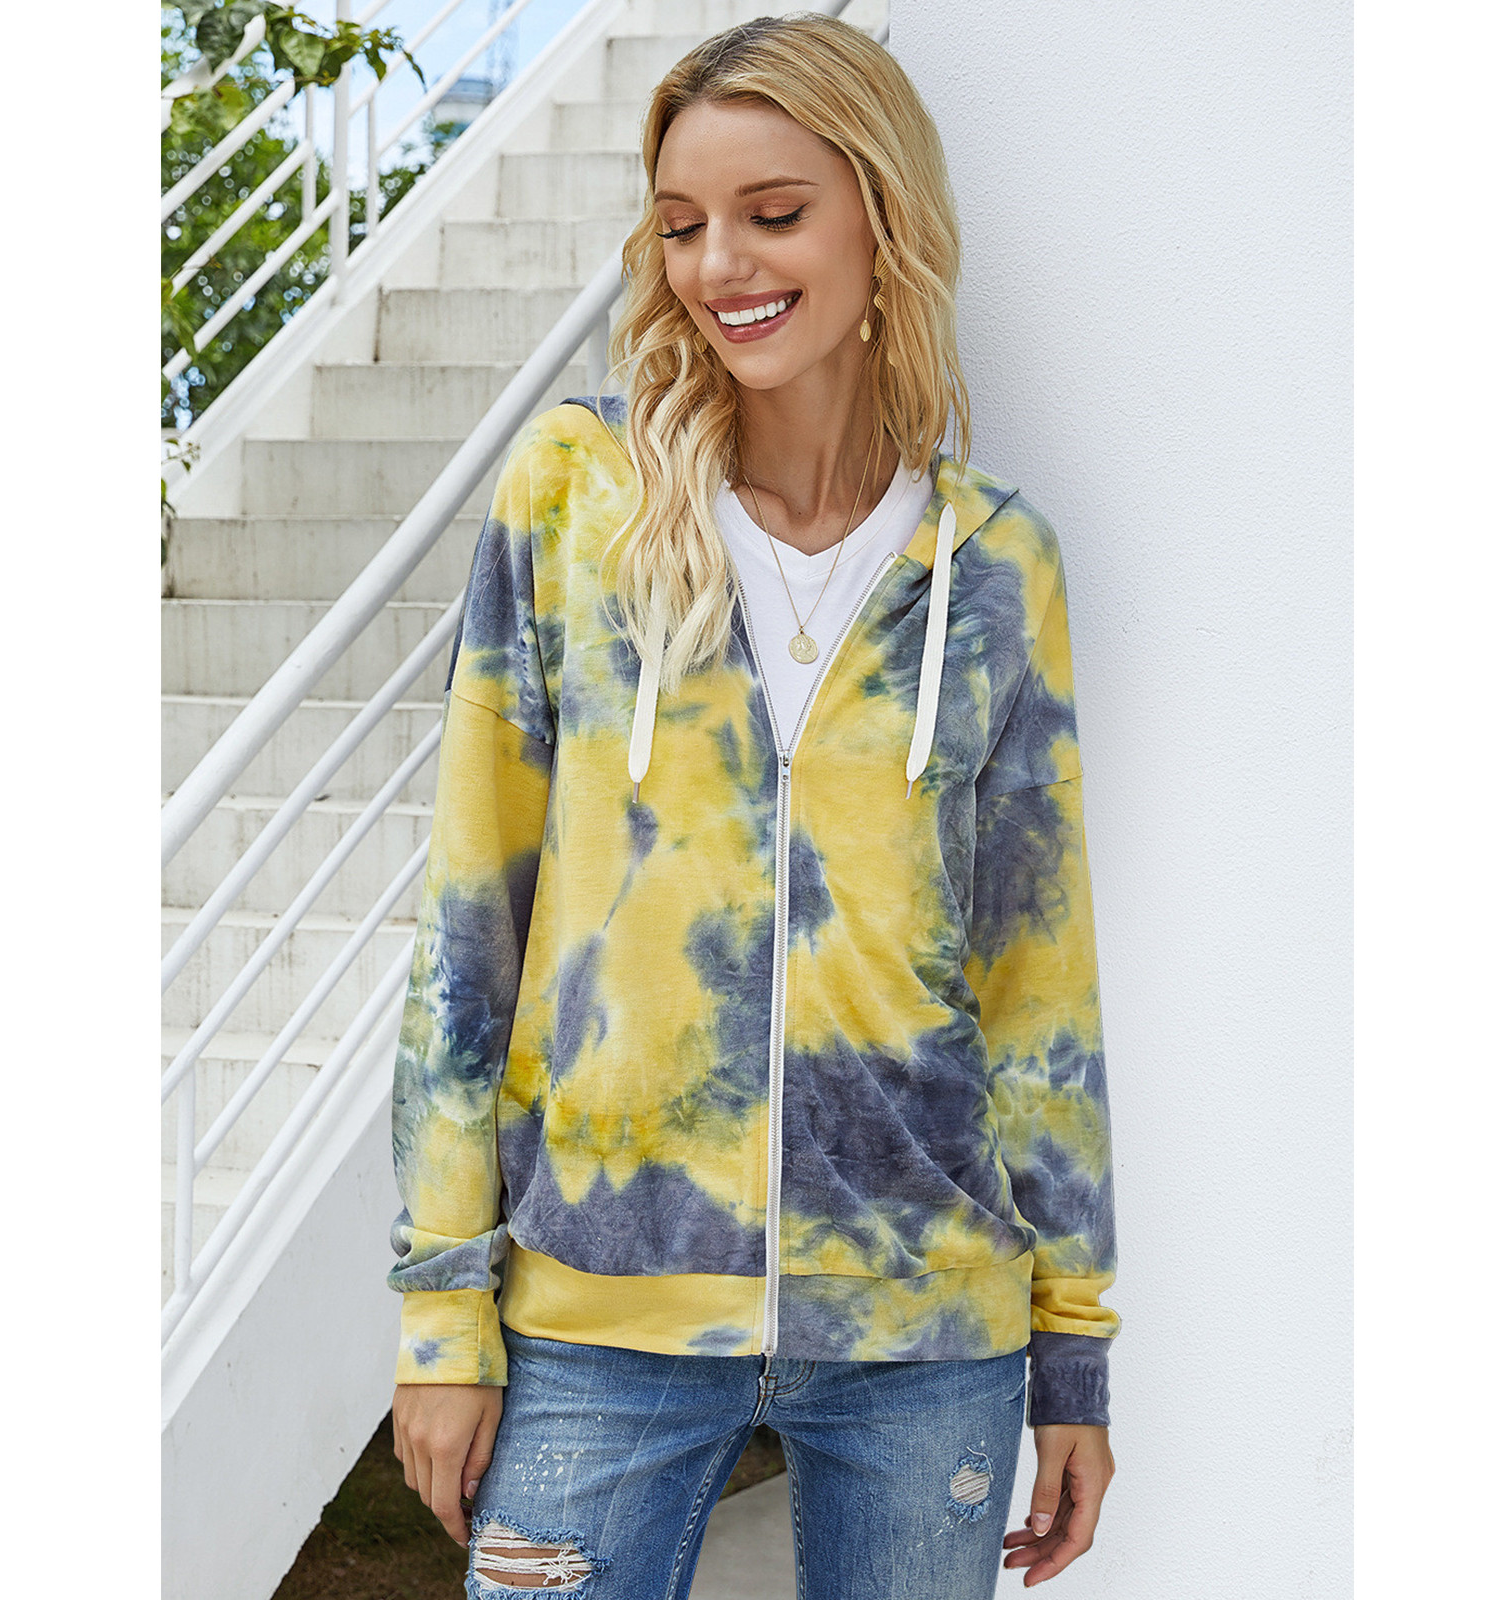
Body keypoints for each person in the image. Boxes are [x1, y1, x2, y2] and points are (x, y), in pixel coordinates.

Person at [387, 14, 1120, 1596]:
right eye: (680, 226)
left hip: (925, 1324)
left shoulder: (997, 565)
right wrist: (443, 1311)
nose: (719, 265)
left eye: (772, 213)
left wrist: (1073, 1349)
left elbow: (1038, 981)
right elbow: (467, 929)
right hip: (600, 1305)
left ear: (882, 217)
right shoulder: (573, 501)